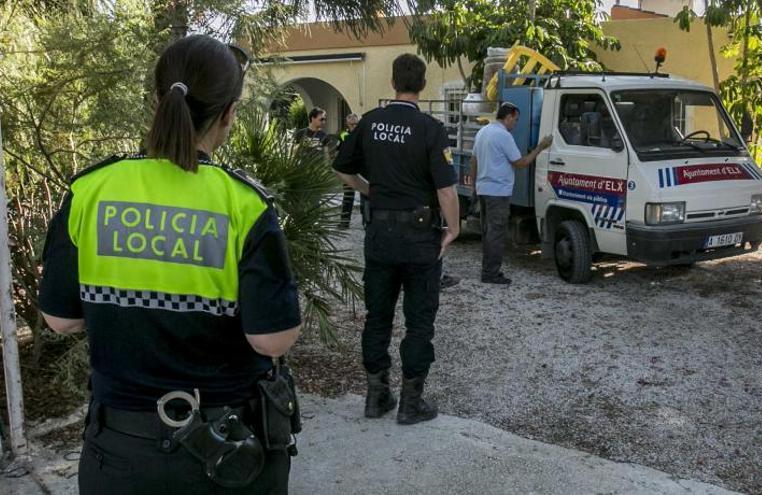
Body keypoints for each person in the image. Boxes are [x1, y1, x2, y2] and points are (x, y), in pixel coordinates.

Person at [38, 35, 302, 494]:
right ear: (229, 113)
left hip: (119, 452)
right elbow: (271, 339)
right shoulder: (245, 205)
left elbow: (60, 320)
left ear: (158, 101)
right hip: (228, 455)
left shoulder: (91, 190)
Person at [333, 53, 459, 425]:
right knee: (419, 321)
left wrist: (370, 191)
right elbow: (446, 190)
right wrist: (452, 229)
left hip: (381, 236)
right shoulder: (430, 129)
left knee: (378, 317)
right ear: (422, 84)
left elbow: (341, 167)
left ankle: (376, 396)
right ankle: (410, 403)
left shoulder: (370, 122)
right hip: (420, 237)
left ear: (392, 83)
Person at [471, 101, 552, 284]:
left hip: (483, 189)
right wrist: (541, 147)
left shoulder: (483, 132)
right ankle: (490, 274)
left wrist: (474, 186)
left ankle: (488, 270)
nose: (515, 124)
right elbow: (521, 163)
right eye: (515, 120)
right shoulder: (503, 136)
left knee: (488, 232)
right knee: (496, 233)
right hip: (498, 192)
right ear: (508, 117)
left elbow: (473, 160)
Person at [338, 113, 360, 228]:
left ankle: (366, 221)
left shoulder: (362, 134)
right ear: (347, 124)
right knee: (348, 196)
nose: (354, 126)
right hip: (348, 170)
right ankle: (344, 221)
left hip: (361, 170)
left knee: (365, 196)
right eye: (352, 124)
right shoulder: (344, 135)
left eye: (356, 124)